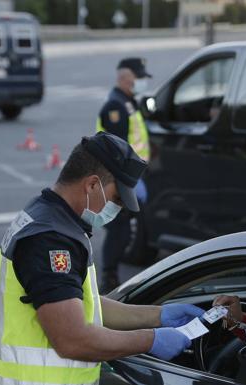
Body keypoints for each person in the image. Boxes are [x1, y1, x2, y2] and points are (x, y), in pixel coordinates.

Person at [0, 132, 204, 385]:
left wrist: (158, 316)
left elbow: (80, 304)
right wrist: (151, 340)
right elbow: (72, 339)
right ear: (92, 185)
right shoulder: (51, 240)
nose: (118, 211)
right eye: (117, 199)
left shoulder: (48, 216)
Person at [96, 57, 151, 293]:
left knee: (124, 230)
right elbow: (117, 150)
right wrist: (123, 185)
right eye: (137, 77)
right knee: (118, 230)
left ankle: (112, 278)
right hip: (118, 179)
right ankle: (108, 278)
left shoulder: (128, 102)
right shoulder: (115, 107)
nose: (141, 81)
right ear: (124, 78)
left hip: (129, 178)